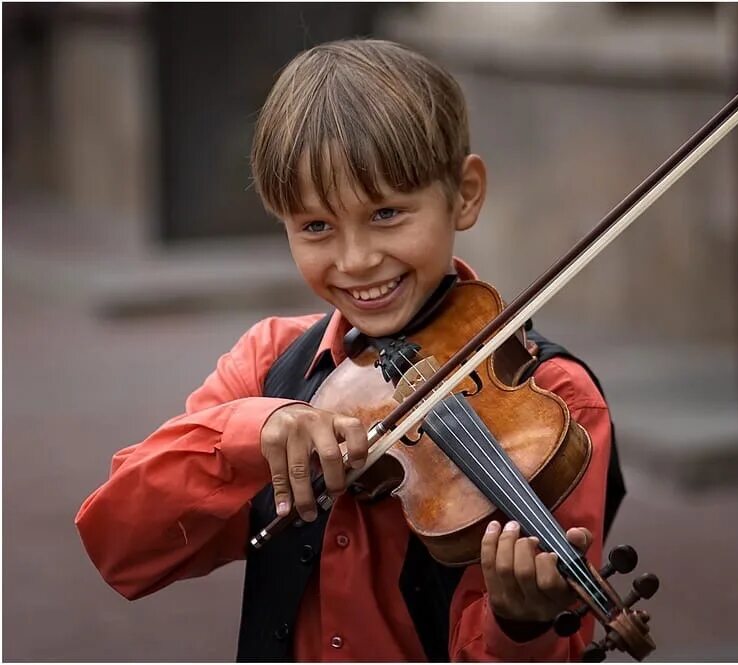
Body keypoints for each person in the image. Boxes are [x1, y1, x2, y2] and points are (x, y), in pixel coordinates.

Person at [76, 38, 620, 662]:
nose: (356, 260)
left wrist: (517, 623)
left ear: (465, 194)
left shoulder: (556, 403)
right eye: (315, 226)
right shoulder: (272, 363)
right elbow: (120, 546)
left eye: (387, 213)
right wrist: (254, 432)